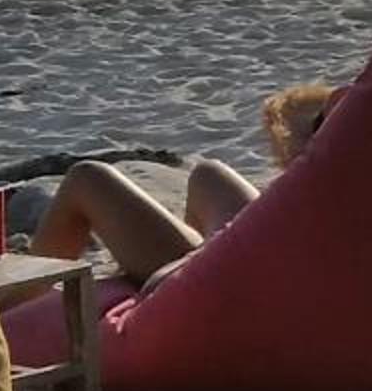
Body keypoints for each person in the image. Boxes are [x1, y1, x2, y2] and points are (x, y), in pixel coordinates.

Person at [21, 83, 336, 289]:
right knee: (208, 175)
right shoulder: (351, 192)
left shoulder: (320, 196)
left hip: (241, 290)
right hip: (265, 267)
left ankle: (15, 306)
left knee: (87, 178)